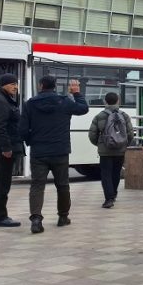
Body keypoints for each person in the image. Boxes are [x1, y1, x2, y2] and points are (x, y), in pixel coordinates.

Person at [20, 75, 89, 234]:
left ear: (40, 85)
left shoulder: (30, 104)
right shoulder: (65, 101)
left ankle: (36, 219)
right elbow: (83, 108)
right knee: (63, 185)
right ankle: (63, 217)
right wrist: (77, 92)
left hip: (39, 152)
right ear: (55, 86)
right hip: (60, 151)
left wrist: (32, 141)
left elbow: (22, 130)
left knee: (37, 185)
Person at [0, 74, 23, 227]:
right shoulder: (0, 101)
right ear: (3, 85)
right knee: (2, 184)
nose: (15, 87)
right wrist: (6, 148)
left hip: (1, 148)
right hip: (4, 150)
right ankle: (0, 217)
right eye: (12, 84)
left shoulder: (1, 99)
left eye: (16, 84)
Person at [87, 91, 135, 208]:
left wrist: (100, 144)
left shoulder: (99, 116)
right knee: (116, 173)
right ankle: (113, 194)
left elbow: (92, 135)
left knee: (106, 174)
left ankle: (108, 199)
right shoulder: (124, 115)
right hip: (120, 151)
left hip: (105, 151)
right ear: (118, 100)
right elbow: (130, 134)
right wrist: (124, 145)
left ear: (105, 101)